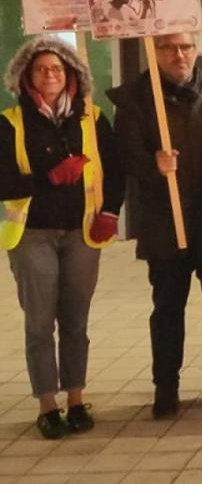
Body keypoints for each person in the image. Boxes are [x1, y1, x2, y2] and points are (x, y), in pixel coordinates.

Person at [107, 32, 202, 418]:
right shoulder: (136, 99)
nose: (179, 54)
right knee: (168, 307)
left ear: (196, 48)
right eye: (168, 47)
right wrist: (153, 164)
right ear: (155, 51)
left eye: (185, 46)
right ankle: (166, 387)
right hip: (165, 222)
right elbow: (125, 159)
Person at [0, 36, 125, 439]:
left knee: (76, 319)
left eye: (57, 68)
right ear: (26, 77)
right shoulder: (10, 122)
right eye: (41, 69)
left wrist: (109, 213)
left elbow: (116, 169)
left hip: (82, 232)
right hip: (32, 233)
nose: (49, 75)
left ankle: (75, 398)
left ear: (71, 74)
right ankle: (47, 404)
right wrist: (48, 179)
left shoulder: (91, 117)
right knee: (40, 322)